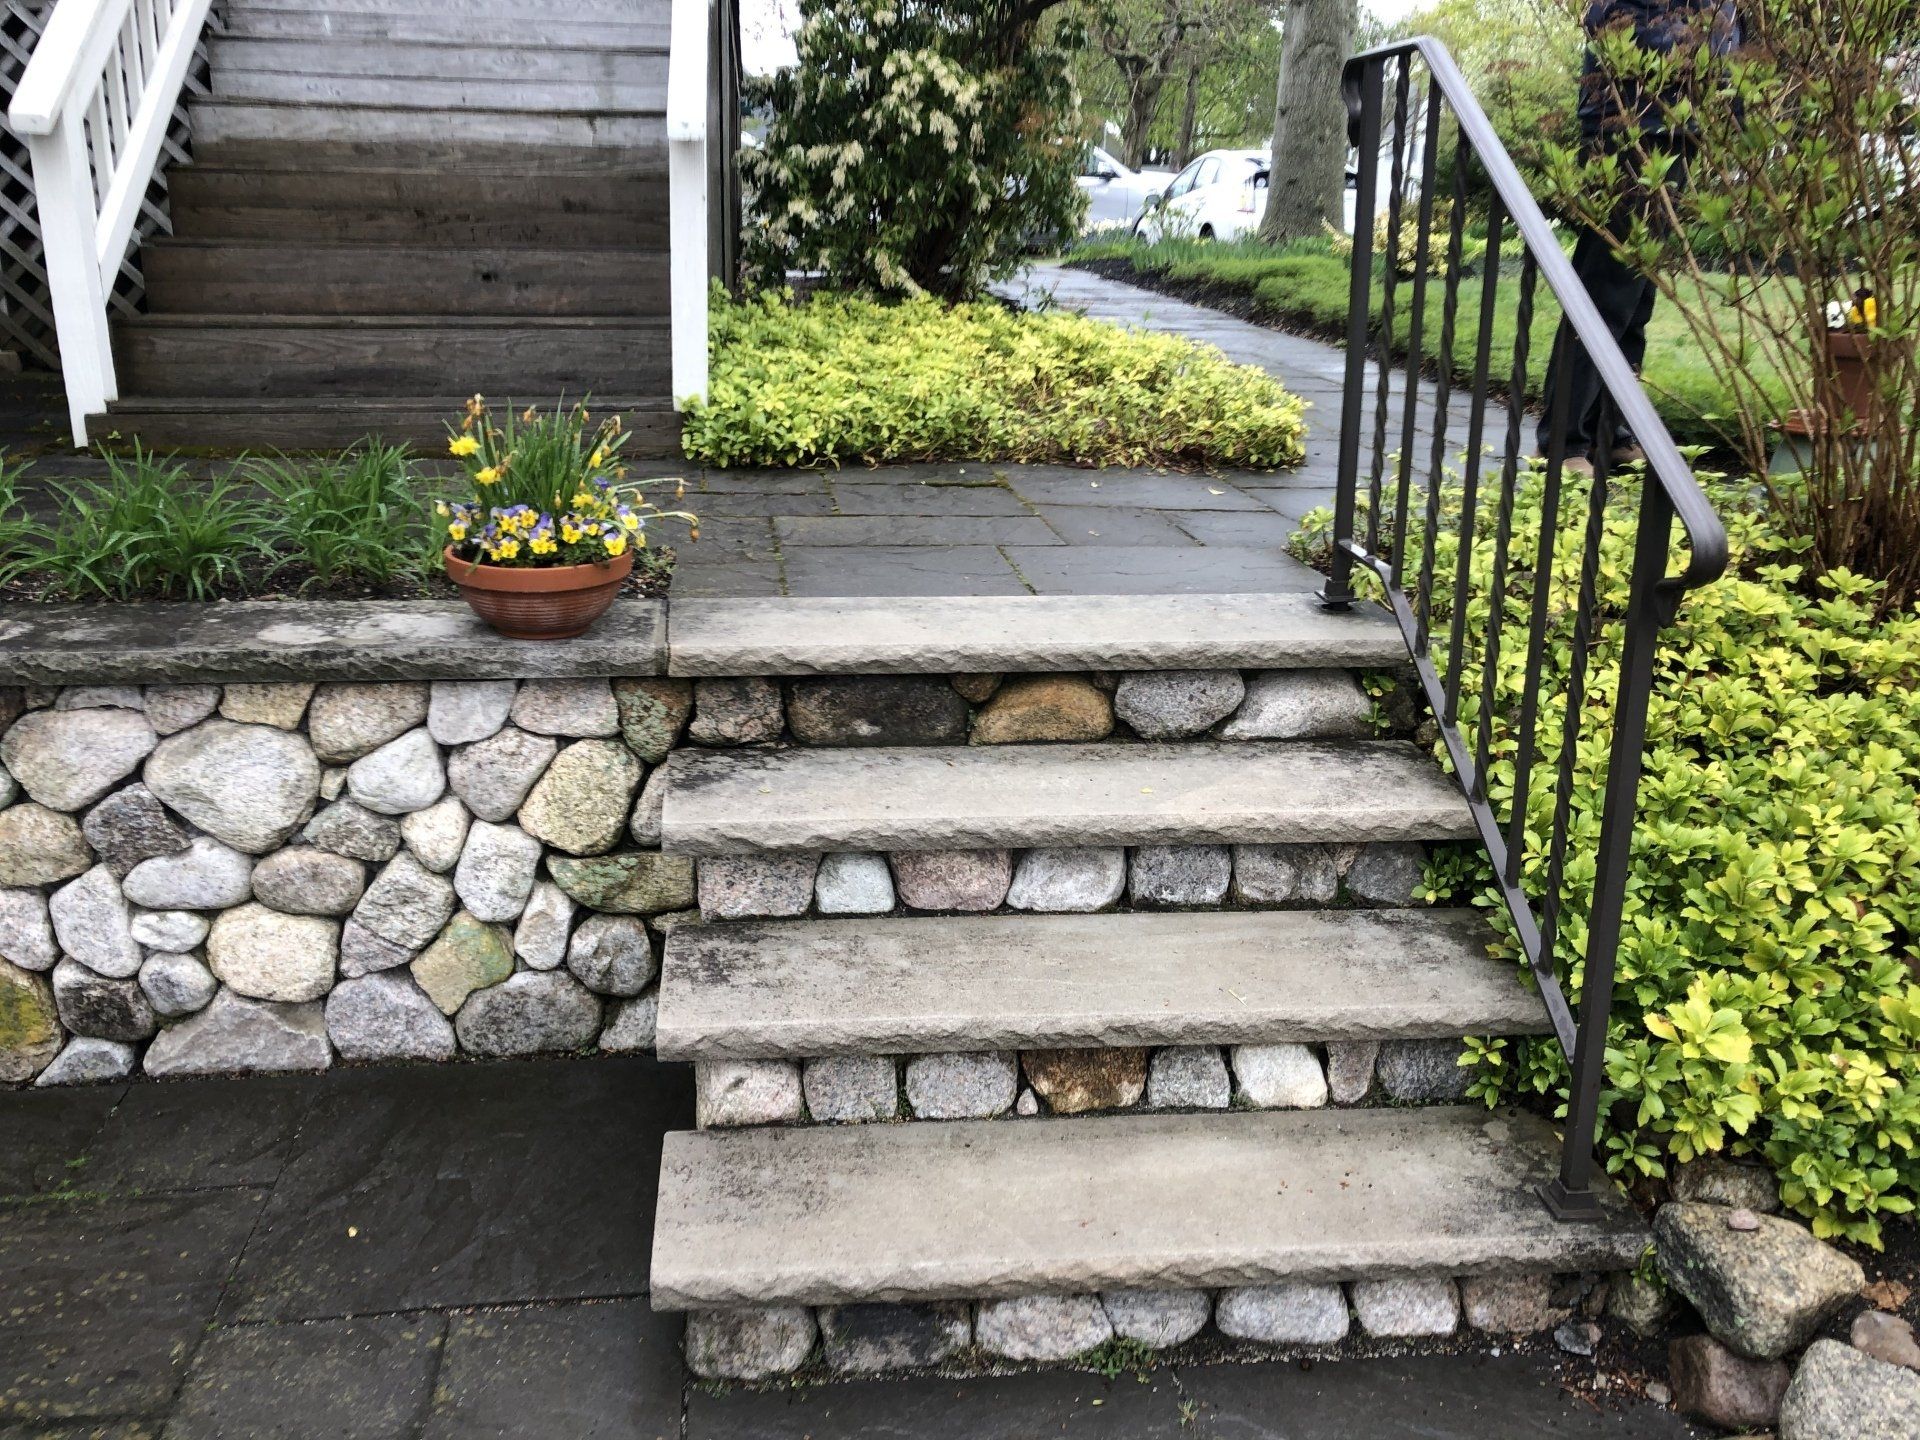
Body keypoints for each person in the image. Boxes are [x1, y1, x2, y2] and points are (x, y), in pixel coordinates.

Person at [1540, 0, 1742, 476]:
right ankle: (1564, 439)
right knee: (1605, 290)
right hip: (1632, 128)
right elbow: (1602, 18)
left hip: (1682, 130)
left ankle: (1611, 431)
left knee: (1637, 296)